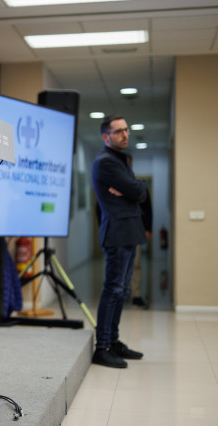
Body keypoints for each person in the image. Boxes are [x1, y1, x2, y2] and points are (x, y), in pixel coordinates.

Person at [91, 114, 147, 369]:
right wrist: (132, 190)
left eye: (127, 129)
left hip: (128, 231)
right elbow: (137, 192)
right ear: (106, 136)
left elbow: (139, 191)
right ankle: (102, 347)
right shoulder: (106, 162)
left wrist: (133, 189)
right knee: (113, 289)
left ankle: (113, 342)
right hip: (117, 232)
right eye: (119, 131)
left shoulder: (119, 160)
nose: (125, 134)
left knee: (122, 291)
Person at [126, 155, 153, 308]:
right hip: (118, 232)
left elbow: (148, 209)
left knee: (135, 264)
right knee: (118, 264)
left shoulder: (139, 185)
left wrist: (147, 228)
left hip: (136, 230)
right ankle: (121, 294)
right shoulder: (112, 184)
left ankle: (136, 295)